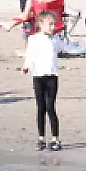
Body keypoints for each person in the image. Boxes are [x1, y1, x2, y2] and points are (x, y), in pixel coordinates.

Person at [20, 11, 67, 151]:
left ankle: (55, 139)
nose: (53, 27)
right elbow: (30, 55)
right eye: (50, 24)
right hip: (38, 76)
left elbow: (68, 48)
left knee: (50, 107)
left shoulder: (55, 39)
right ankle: (41, 138)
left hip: (52, 76)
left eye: (54, 24)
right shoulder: (33, 39)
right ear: (41, 24)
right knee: (40, 108)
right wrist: (26, 67)